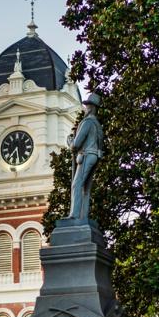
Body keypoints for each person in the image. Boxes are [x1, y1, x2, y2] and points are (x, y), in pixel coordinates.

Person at [68, 92, 103, 222]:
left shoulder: (87, 122)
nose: (86, 108)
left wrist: (70, 142)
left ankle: (75, 215)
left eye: (88, 106)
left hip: (87, 155)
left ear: (92, 108)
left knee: (77, 185)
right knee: (85, 189)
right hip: (94, 156)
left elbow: (76, 144)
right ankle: (84, 216)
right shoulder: (97, 125)